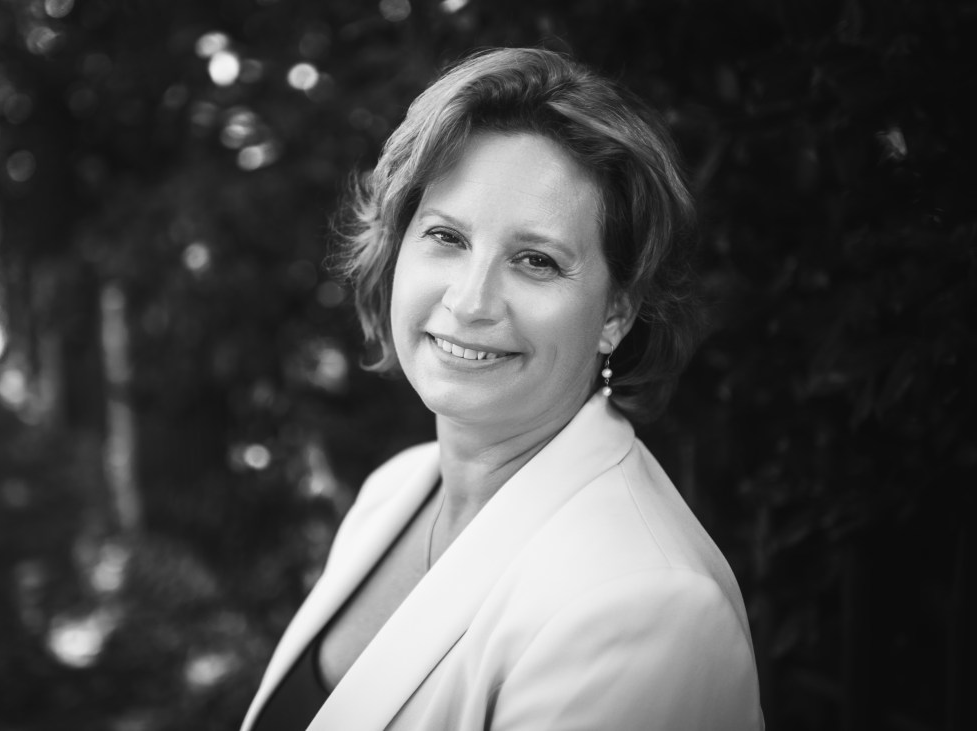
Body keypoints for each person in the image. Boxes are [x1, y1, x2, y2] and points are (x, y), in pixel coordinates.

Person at [241, 47, 763, 730]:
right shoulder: (395, 490)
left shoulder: (645, 606)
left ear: (615, 313)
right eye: (446, 236)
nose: (471, 300)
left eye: (536, 260)